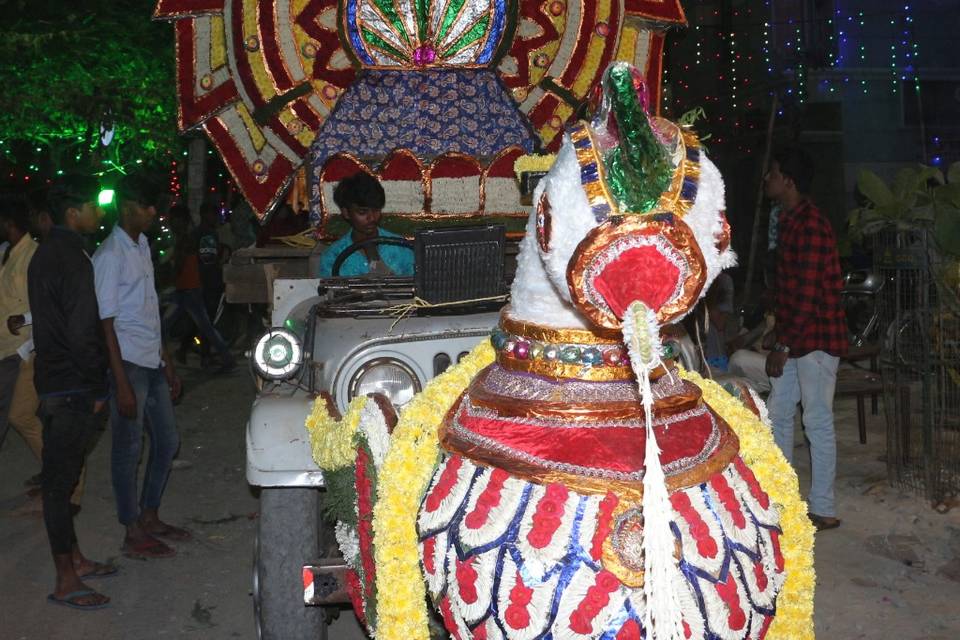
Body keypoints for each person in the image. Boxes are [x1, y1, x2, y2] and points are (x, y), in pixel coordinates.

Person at [28, 176, 115, 610]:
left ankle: (75, 560)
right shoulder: (73, 257)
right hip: (72, 384)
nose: (98, 213)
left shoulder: (45, 254)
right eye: (92, 206)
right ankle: (65, 579)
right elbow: (82, 327)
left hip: (54, 379)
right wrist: (98, 383)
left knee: (66, 476)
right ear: (72, 214)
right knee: (60, 484)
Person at [93, 176, 191, 559]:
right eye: (148, 206)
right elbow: (105, 323)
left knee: (166, 441)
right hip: (128, 364)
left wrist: (167, 360)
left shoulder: (142, 245)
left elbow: (149, 308)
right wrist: (120, 383)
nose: (154, 213)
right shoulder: (109, 256)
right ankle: (130, 528)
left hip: (149, 358)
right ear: (127, 206)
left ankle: (149, 515)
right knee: (127, 449)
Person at [763, 147, 847, 531]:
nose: (768, 180)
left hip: (815, 340)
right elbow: (791, 291)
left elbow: (809, 293)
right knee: (779, 412)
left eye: (774, 173)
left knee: (816, 422)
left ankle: (823, 507)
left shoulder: (809, 224)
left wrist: (784, 344)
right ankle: (784, 499)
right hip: (799, 337)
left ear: (789, 181)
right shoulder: (789, 219)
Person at [165, 204, 235, 372]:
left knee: (202, 325)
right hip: (192, 286)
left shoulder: (191, 237)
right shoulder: (196, 235)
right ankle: (215, 357)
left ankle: (218, 357)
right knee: (202, 325)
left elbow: (201, 261)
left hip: (193, 286)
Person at [318, 172, 414, 277]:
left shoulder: (401, 248)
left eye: (376, 210)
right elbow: (330, 292)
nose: (371, 218)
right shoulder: (333, 256)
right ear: (346, 213)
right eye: (362, 212)